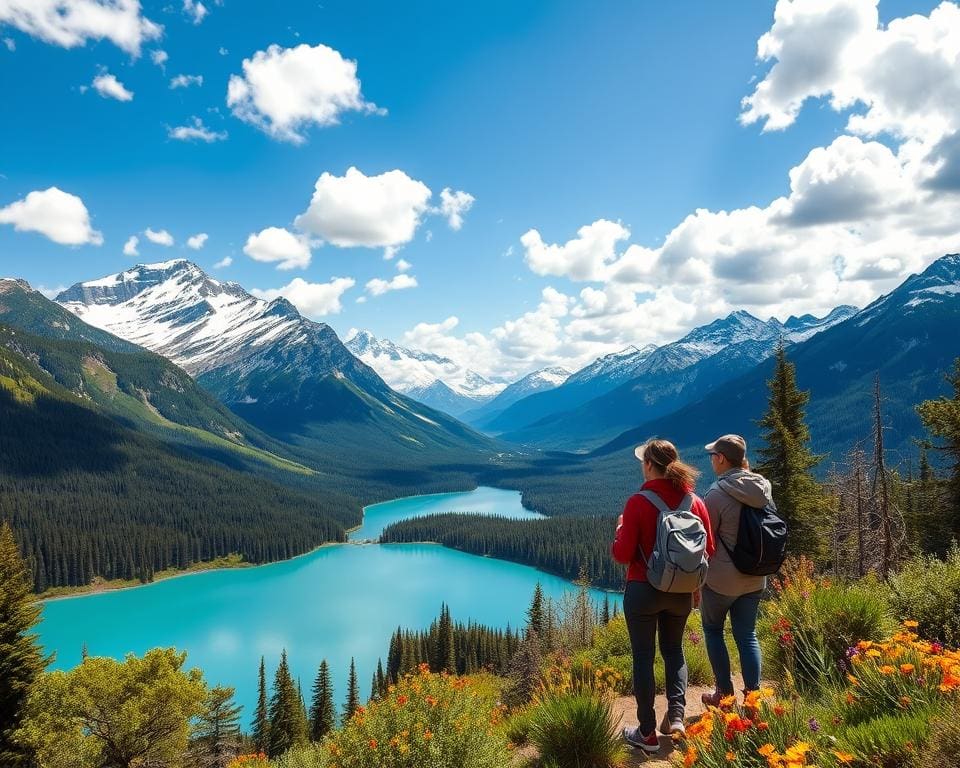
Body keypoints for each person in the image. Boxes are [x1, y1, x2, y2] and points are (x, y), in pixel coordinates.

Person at [611, 439, 715, 753]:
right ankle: (677, 719)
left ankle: (646, 734)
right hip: (682, 593)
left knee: (643, 657)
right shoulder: (694, 501)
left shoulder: (637, 502)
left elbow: (623, 553)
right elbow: (708, 549)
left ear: (649, 465)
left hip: (643, 590)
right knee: (674, 651)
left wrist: (619, 531)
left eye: (642, 461)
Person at [700, 434, 772, 706]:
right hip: (755, 577)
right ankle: (753, 698)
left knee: (713, 630)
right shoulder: (763, 488)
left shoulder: (716, 494)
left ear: (721, 459)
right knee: (747, 635)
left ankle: (724, 694)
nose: (711, 461)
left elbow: (707, 541)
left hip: (721, 581)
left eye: (712, 456)